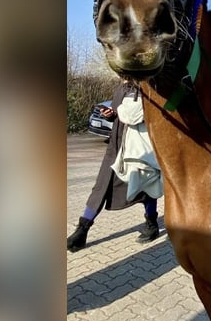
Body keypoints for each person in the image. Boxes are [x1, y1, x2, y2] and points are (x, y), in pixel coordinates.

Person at [67, 80, 162, 252]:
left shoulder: (144, 85)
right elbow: (121, 112)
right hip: (115, 145)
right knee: (100, 186)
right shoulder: (123, 85)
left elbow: (134, 114)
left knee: (145, 185)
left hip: (134, 147)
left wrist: (118, 110)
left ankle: (152, 223)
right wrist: (110, 114)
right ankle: (82, 229)